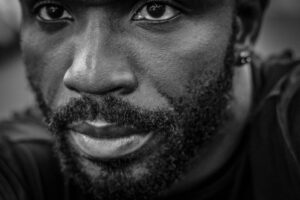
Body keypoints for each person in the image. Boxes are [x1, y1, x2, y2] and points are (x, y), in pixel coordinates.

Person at [0, 0, 299, 199]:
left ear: (242, 24)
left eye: (156, 10)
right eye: (52, 11)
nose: (88, 78)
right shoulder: (19, 162)